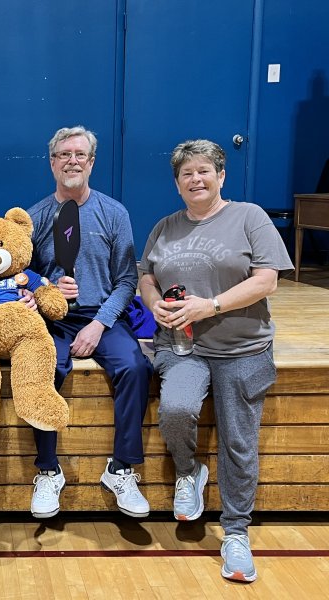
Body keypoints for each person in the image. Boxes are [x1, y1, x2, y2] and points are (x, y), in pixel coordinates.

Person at [138, 139, 293, 583]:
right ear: (177, 182)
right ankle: (189, 472)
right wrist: (152, 304)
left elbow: (267, 280)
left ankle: (236, 532)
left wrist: (213, 305)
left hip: (241, 348)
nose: (196, 179)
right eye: (187, 173)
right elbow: (146, 274)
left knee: (239, 441)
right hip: (181, 347)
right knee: (176, 410)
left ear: (221, 176)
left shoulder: (250, 217)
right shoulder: (165, 226)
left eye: (204, 170)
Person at [26, 126, 153, 519]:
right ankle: (47, 471)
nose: (72, 161)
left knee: (135, 367)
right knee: (43, 368)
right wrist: (45, 287)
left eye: (80, 154)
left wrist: (98, 324)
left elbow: (128, 279)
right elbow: (21, 274)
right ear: (52, 162)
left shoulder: (114, 213)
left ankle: (121, 469)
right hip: (55, 318)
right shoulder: (34, 216)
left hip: (103, 316)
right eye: (64, 155)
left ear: (92, 161)